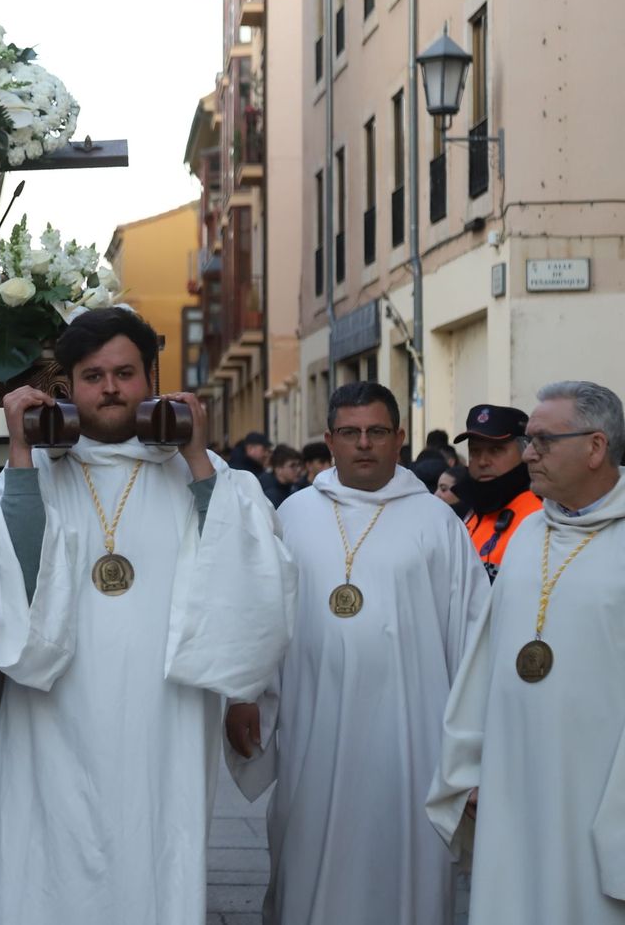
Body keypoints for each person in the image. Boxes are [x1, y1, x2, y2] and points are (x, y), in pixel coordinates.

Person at [0, 307, 295, 925]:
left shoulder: (205, 476)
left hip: (161, 710)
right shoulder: (40, 470)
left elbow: (243, 575)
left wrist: (197, 456)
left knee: (154, 852)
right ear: (69, 386)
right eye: (92, 376)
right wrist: (19, 450)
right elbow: (13, 573)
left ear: (152, 378)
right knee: (49, 856)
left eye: (124, 373)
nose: (110, 388)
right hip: (56, 707)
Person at [225, 382, 488, 925]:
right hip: (312, 731)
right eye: (350, 433)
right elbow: (258, 614)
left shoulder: (438, 524)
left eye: (376, 432)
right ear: (329, 439)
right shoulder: (293, 515)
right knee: (308, 857)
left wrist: (475, 750)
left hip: (412, 743)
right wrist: (245, 692)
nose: (363, 444)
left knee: (406, 874)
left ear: (399, 438)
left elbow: (471, 642)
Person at [428, 381, 625, 925]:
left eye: (542, 440)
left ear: (595, 447)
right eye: (529, 439)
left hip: (596, 784)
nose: (529, 452)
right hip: (513, 779)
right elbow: (487, 659)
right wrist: (468, 762)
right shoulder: (532, 532)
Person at [451, 404, 542, 582]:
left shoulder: (540, 513)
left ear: (525, 451)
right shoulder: (467, 510)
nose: (482, 461)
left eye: (496, 450)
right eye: (475, 451)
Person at [259, 443, 305, 507]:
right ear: (278, 469)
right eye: (293, 466)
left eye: (299, 465)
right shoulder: (270, 496)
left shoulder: (295, 488)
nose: (299, 469)